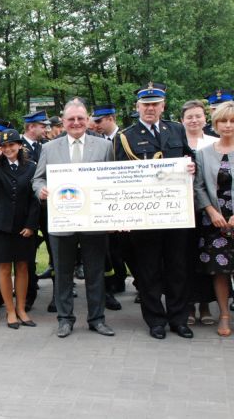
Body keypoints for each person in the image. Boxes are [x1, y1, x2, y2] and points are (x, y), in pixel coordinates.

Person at [114, 82, 196, 339]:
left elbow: (188, 157)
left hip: (175, 211)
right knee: (148, 270)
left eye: (155, 104)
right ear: (137, 107)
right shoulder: (125, 137)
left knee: (177, 268)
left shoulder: (176, 129)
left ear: (163, 106)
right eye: (146, 104)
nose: (150, 108)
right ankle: (155, 321)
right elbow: (118, 178)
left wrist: (192, 167)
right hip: (144, 214)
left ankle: (179, 319)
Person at [33, 99, 115, 338]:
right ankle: (65, 319)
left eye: (80, 118)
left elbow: (113, 178)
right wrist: (41, 190)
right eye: (71, 119)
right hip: (63, 221)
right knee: (63, 273)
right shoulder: (50, 148)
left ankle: (97, 319)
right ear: (63, 120)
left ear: (87, 119)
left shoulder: (104, 146)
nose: (76, 123)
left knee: (95, 272)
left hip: (93, 221)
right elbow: (38, 179)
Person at [0, 129, 40, 329]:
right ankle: (10, 311)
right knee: (4, 268)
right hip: (0, 226)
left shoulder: (31, 167)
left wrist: (31, 225)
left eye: (11, 145)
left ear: (20, 145)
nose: (8, 149)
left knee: (23, 267)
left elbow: (34, 200)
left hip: (23, 226)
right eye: (4, 146)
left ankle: (21, 308)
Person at [194, 101, 234, 337]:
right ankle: (224, 315)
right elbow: (199, 187)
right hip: (215, 221)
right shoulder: (204, 153)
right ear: (215, 124)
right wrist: (211, 211)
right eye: (223, 121)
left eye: (232, 121)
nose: (228, 125)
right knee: (220, 270)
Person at [181, 100, 218, 325]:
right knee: (185, 258)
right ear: (182, 120)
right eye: (189, 117)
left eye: (198, 116)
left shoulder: (214, 142)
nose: (194, 120)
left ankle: (205, 305)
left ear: (205, 118)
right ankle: (188, 305)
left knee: (207, 258)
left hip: (209, 209)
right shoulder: (176, 142)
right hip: (182, 210)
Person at [90, 104, 127, 311]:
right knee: (109, 249)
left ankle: (138, 285)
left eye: (99, 121)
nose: (95, 125)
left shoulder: (125, 138)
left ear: (111, 118)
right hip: (103, 202)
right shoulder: (98, 141)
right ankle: (114, 284)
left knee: (128, 249)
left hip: (123, 200)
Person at [21, 110, 50, 310]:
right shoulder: (16, 147)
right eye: (42, 126)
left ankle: (57, 296)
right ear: (31, 127)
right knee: (27, 256)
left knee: (54, 251)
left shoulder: (44, 147)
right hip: (26, 210)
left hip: (46, 208)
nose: (45, 129)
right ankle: (28, 295)